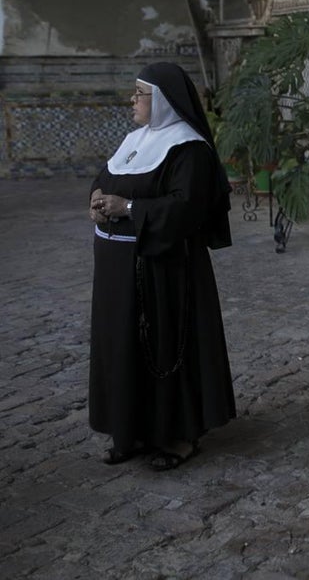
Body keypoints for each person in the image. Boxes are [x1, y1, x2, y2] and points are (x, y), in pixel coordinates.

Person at [88, 62, 236, 471]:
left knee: (165, 347)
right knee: (122, 345)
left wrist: (128, 207)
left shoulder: (189, 149)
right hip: (116, 271)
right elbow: (106, 179)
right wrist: (96, 200)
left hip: (164, 271)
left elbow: (186, 208)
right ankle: (130, 431)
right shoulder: (135, 140)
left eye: (140, 94)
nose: (132, 100)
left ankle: (179, 437)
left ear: (165, 101)